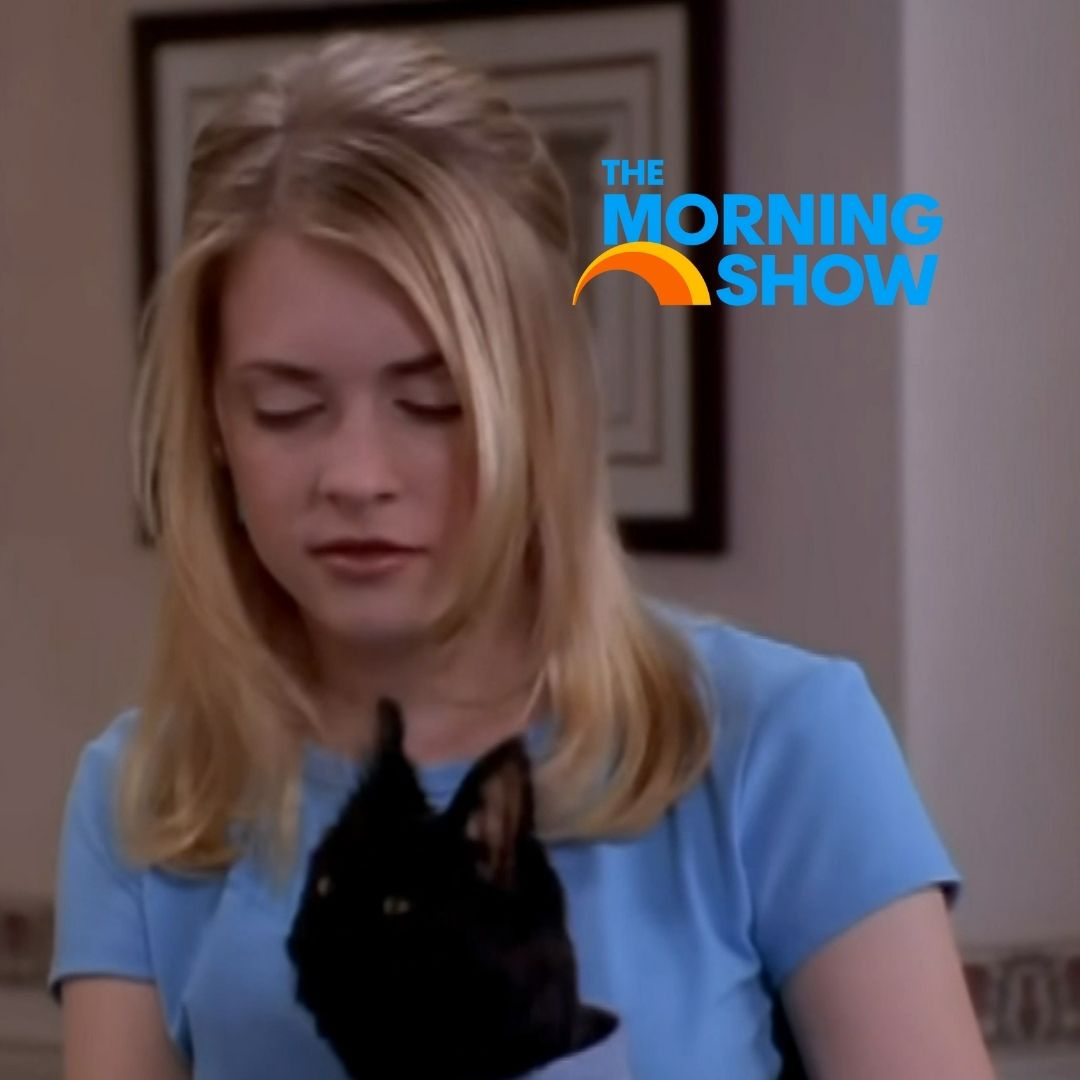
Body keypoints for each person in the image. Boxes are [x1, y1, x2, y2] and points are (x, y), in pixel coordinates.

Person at [47, 30, 996, 1080]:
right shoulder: (150, 797)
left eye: (433, 403)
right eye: (286, 409)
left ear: (541, 406)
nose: (357, 475)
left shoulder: (778, 743)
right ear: (215, 427)